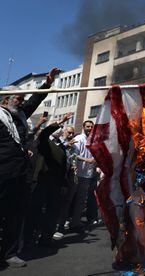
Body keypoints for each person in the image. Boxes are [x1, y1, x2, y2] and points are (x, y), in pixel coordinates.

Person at [0, 68, 58, 268]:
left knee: (15, 216)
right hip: (2, 174)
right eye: (18, 98)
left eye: (22, 98)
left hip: (21, 175)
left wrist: (47, 84)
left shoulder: (20, 117)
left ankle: (9, 252)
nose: (21, 101)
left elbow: (34, 102)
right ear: (4, 100)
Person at [24, 113, 73, 246]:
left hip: (55, 185)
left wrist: (63, 184)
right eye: (57, 129)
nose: (59, 131)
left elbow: (64, 168)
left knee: (52, 212)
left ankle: (46, 237)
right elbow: (45, 132)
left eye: (60, 130)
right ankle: (28, 238)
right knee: (35, 210)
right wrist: (60, 121)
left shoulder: (62, 147)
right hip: (41, 182)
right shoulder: (44, 142)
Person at [70, 120, 98, 232]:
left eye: (91, 127)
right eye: (87, 126)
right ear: (83, 127)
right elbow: (73, 155)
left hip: (87, 175)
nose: (90, 128)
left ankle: (75, 223)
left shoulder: (93, 140)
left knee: (81, 201)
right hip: (76, 174)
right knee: (69, 199)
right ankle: (61, 224)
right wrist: (86, 159)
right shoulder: (78, 139)